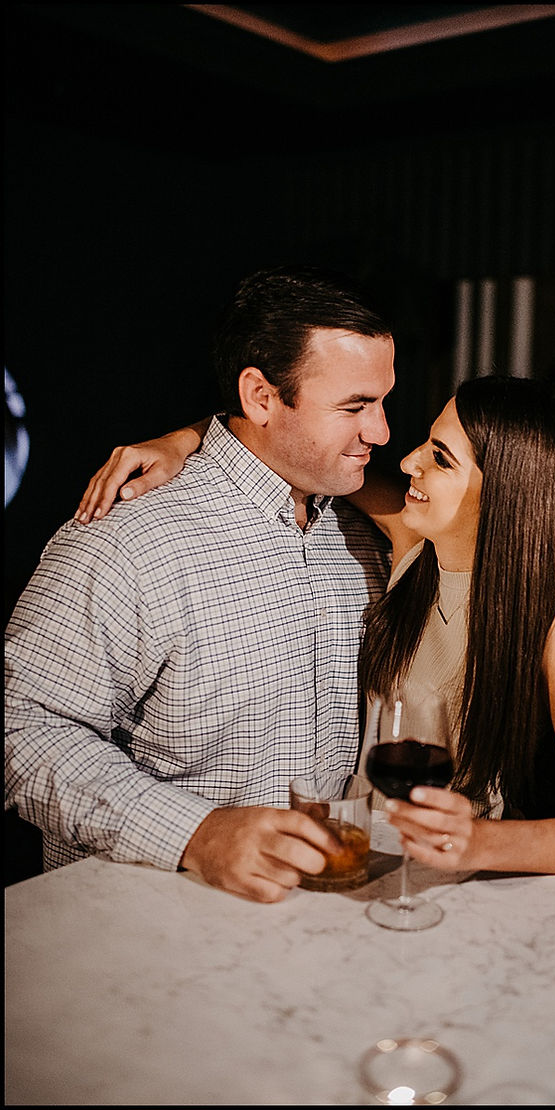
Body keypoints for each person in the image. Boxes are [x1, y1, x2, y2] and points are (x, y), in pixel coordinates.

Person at [72, 375, 555, 879]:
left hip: (459, 884)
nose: (407, 461)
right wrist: (182, 439)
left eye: (440, 458)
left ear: (506, 491)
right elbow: (275, 442)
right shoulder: (411, 542)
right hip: (361, 863)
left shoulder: (550, 609)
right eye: (426, 441)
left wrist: (475, 841)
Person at [5, 264, 396, 902]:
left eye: (382, 402)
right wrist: (196, 834)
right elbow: (21, 727)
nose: (379, 432)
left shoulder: (361, 534)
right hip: (147, 930)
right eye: (355, 407)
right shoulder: (129, 538)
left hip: (311, 922)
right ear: (261, 397)